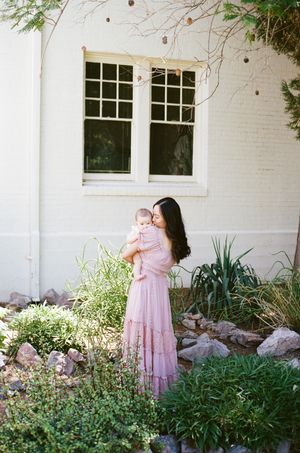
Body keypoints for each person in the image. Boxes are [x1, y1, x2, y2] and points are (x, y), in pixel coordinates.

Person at [122, 197, 191, 398]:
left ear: (168, 218)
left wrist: (138, 264)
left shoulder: (150, 233)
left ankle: (139, 384)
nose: (152, 220)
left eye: (157, 216)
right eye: (153, 215)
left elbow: (125, 254)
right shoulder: (178, 241)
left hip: (143, 287)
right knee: (158, 329)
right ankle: (161, 384)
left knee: (141, 330)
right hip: (160, 289)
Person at [127, 208, 153, 281]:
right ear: (137, 223)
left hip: (142, 250)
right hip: (134, 251)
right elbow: (128, 241)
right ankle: (136, 275)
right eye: (142, 224)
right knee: (138, 261)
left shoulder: (151, 231)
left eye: (148, 223)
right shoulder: (136, 231)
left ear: (152, 222)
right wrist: (136, 237)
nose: (145, 226)